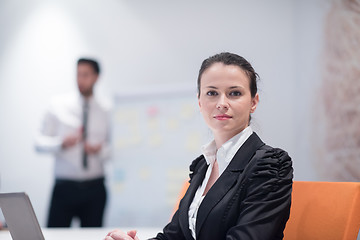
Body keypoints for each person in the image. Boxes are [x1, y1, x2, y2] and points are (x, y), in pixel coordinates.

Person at [105, 52, 293, 240]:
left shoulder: (270, 165)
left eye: (234, 93)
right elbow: (175, 236)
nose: (222, 103)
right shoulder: (203, 166)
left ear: (253, 102)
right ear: (199, 102)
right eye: (212, 93)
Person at [35, 58, 111, 227]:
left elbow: (116, 148)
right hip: (64, 188)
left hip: (95, 188)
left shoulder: (107, 109)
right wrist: (60, 143)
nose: (80, 80)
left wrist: (100, 150)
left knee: (94, 238)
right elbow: (38, 142)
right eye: (78, 74)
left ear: (96, 77)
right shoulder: (58, 105)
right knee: (55, 236)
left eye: (85, 75)